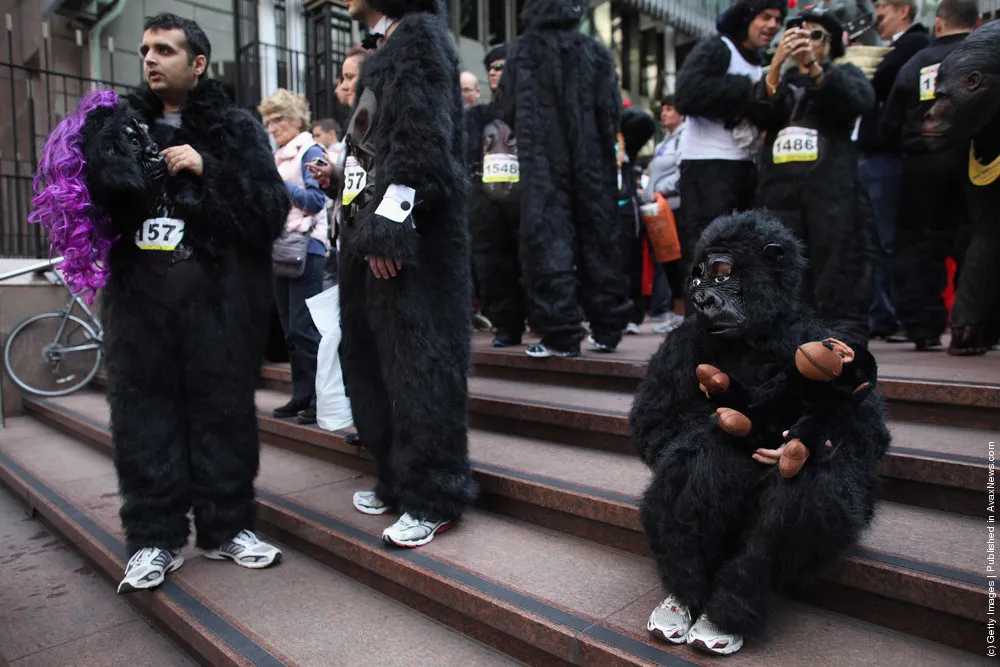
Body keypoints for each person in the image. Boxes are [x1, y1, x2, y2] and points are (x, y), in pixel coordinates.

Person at [29, 13, 287, 593]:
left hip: (217, 309)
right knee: (144, 423)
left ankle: (227, 531)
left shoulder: (238, 129)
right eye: (146, 49)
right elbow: (92, 211)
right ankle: (153, 540)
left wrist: (206, 168)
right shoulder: (115, 126)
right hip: (140, 305)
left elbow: (267, 212)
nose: (150, 59)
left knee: (224, 419)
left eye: (165, 50)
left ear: (197, 63)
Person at [336, 0, 477, 547]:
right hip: (368, 236)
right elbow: (373, 149)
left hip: (409, 245)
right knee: (374, 361)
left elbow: (421, 147)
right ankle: (397, 480)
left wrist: (391, 227)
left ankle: (434, 494)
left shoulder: (418, 39)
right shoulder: (386, 49)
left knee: (421, 366)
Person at [494, 0, 633, 357]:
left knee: (547, 240)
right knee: (600, 238)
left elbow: (505, 110)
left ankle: (561, 333)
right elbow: (611, 113)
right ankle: (607, 327)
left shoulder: (521, 52)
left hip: (540, 160)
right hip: (592, 161)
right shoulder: (595, 52)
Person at [754, 6, 877, 347]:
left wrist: (815, 70)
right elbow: (759, 111)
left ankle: (841, 337)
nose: (805, 42)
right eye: (798, 34)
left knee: (837, 261)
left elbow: (857, 103)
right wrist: (777, 65)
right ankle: (789, 336)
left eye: (816, 36)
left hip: (832, 192)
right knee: (784, 264)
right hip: (780, 196)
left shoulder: (844, 74)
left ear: (832, 43)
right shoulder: (780, 80)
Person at [880, 0, 979, 351]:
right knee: (977, 243)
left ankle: (923, 328)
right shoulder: (984, 61)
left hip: (921, 164)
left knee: (919, 247)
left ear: (938, 24)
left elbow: (889, 122)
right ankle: (975, 328)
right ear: (978, 22)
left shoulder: (915, 63)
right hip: (974, 162)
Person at [674, 0, 786, 276]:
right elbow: (687, 94)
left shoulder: (762, 63)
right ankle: (705, 319)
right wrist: (749, 90)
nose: (772, 25)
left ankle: (739, 318)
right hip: (707, 167)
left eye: (778, 19)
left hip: (745, 167)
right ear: (747, 19)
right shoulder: (718, 48)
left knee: (743, 255)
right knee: (710, 252)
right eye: (765, 17)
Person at [856, 0, 930, 341]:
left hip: (886, 159)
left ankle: (894, 314)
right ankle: (884, 314)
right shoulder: (898, 48)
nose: (876, 16)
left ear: (903, 9)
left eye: (883, 6)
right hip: (875, 158)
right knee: (874, 241)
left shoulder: (913, 44)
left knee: (886, 240)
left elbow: (879, 83)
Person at [260, 89, 329, 425]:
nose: (272, 127)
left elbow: (317, 201)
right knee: (291, 331)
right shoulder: (281, 155)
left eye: (278, 119)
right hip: (283, 247)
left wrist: (278, 185)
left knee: (304, 329)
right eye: (268, 121)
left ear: (296, 119)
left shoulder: (309, 151)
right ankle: (302, 395)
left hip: (307, 248)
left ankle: (319, 399)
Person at [466, 43, 526, 347]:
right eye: (489, 67)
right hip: (487, 203)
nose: (493, 72)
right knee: (493, 265)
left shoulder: (531, 111)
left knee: (529, 259)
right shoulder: (478, 116)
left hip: (526, 198)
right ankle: (506, 324)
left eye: (499, 66)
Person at [646, 95, 687, 334]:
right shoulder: (664, 142)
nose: (664, 113)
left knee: (677, 261)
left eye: (670, 109)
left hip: (675, 208)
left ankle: (682, 314)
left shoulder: (685, 138)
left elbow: (682, 173)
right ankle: (675, 314)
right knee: (667, 263)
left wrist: (660, 190)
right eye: (662, 109)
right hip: (659, 211)